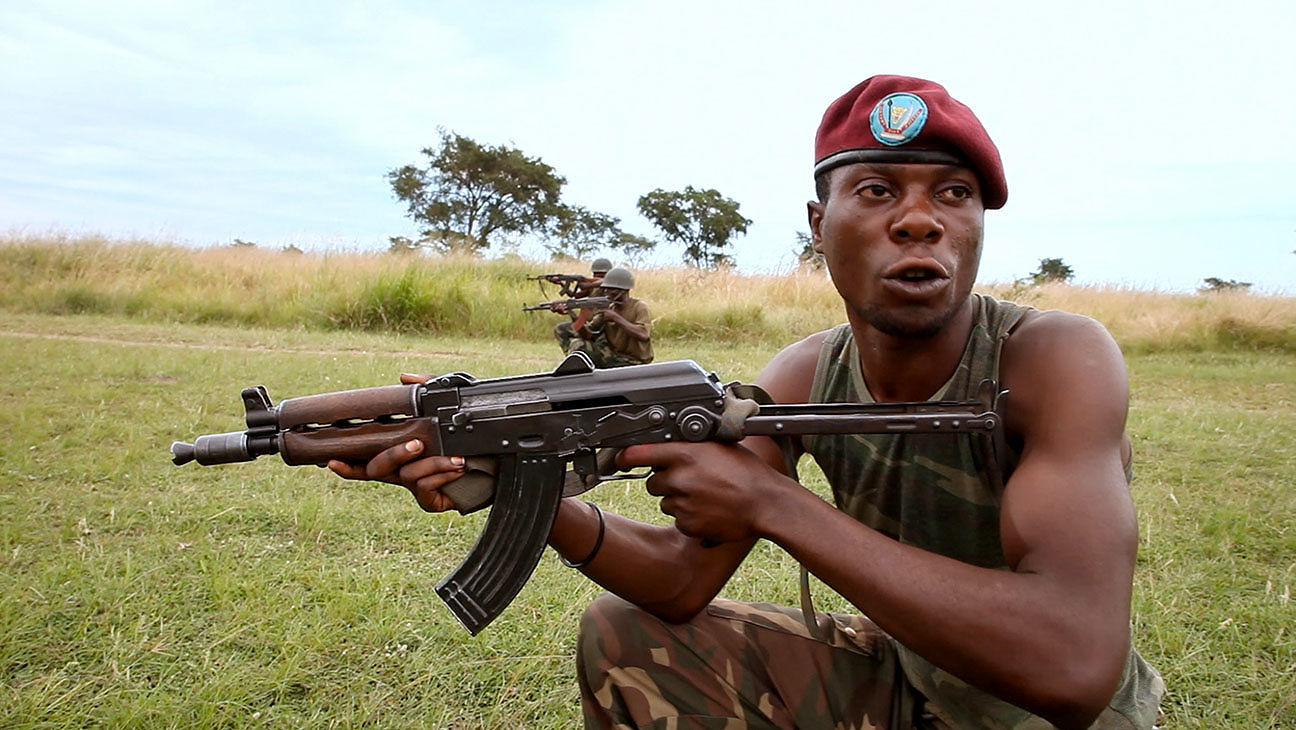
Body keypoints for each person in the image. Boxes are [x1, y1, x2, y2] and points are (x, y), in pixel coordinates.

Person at [329, 75, 1164, 728]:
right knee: (625, 634)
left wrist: (772, 502)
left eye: (953, 194)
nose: (920, 220)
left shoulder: (1056, 358)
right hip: (908, 686)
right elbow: (679, 580)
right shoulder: (805, 372)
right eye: (876, 191)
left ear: (980, 222)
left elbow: (1074, 665)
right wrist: (526, 489)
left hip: (1052, 722)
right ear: (817, 221)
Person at [553, 265, 653, 368]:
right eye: (605, 289)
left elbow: (644, 335)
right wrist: (571, 313)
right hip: (613, 357)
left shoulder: (639, 307)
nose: (606, 293)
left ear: (623, 290)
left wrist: (615, 318)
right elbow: (588, 335)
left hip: (636, 362)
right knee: (578, 344)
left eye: (610, 289)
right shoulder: (609, 308)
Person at [551, 257, 614, 350]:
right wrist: (562, 284)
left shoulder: (612, 288)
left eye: (601, 275)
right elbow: (575, 295)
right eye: (595, 275)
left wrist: (589, 284)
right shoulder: (594, 287)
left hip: (602, 328)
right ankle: (572, 356)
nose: (597, 278)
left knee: (581, 342)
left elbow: (605, 281)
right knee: (560, 329)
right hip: (588, 323)